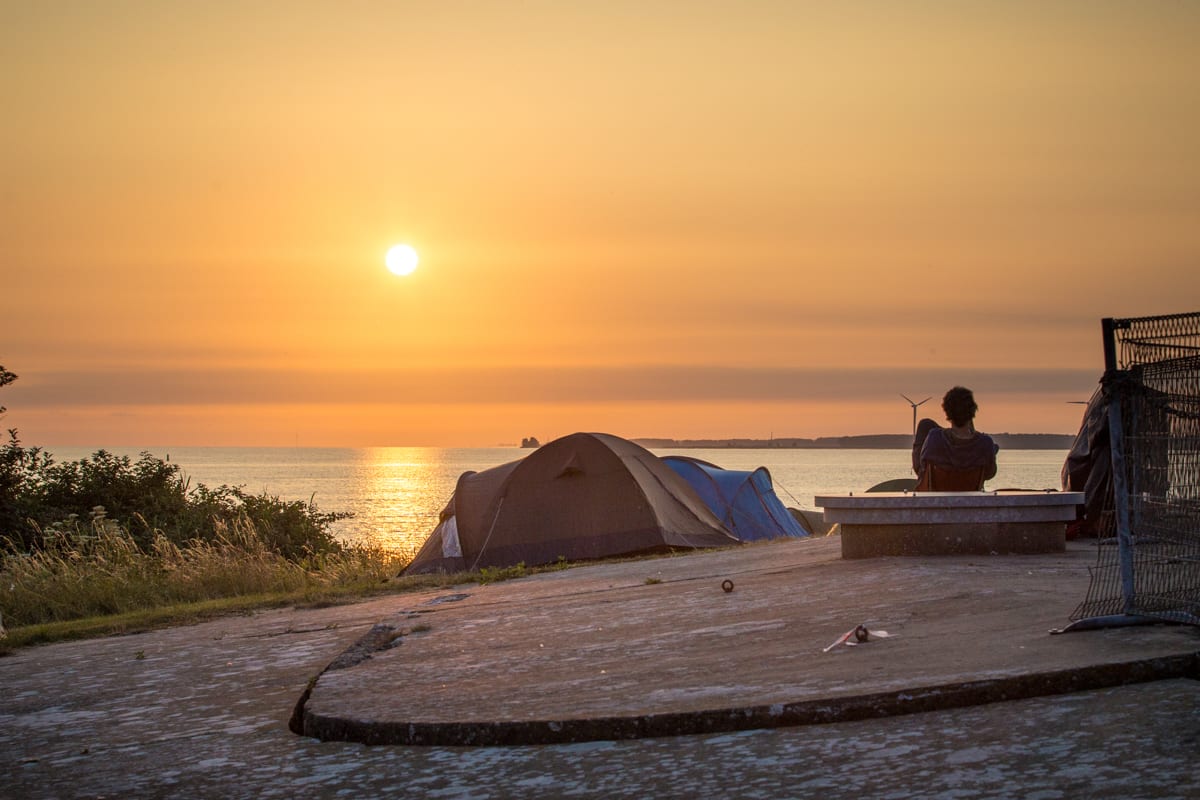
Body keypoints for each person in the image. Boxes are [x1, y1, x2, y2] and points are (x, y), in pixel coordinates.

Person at [913, 386, 999, 487]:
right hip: (970, 497)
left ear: (947, 411)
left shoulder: (935, 437)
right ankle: (971, 433)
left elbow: (922, 468)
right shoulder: (985, 443)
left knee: (925, 424)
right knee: (988, 447)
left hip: (938, 498)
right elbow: (989, 474)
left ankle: (961, 429)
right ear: (973, 411)